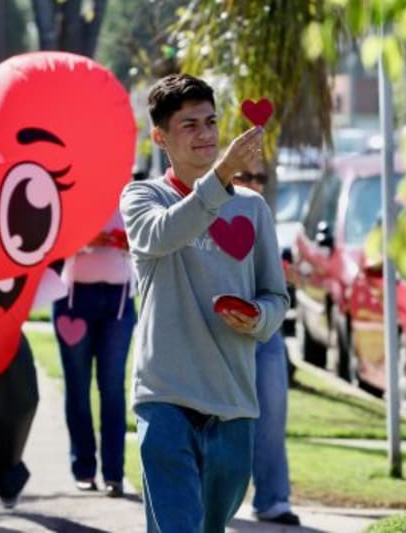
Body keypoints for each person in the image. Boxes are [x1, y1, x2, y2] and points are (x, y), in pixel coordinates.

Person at [120, 73, 289, 532]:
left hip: (234, 404)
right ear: (160, 137)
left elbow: (276, 297)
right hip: (165, 399)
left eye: (211, 121)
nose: (207, 134)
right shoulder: (142, 197)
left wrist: (257, 318)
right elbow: (161, 234)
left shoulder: (253, 209)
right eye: (190, 124)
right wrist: (219, 177)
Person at [52, 210, 137, 498]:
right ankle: (84, 469)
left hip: (119, 301)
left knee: (113, 388)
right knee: (77, 386)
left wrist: (132, 243)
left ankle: (114, 473)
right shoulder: (77, 191)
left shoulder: (133, 195)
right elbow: (51, 241)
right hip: (73, 298)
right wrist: (84, 240)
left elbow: (153, 245)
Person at [233, 170, 300, 526]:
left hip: (266, 330)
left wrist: (288, 276)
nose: (255, 182)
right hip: (224, 331)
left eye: (259, 177)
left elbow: (278, 282)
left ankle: (273, 499)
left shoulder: (263, 216)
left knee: (272, 413)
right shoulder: (212, 212)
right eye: (246, 176)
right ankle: (206, 497)